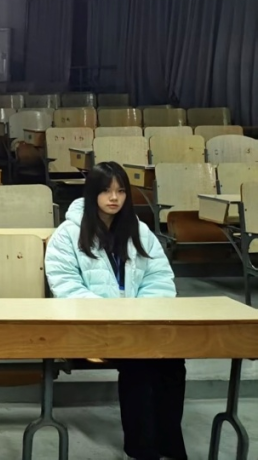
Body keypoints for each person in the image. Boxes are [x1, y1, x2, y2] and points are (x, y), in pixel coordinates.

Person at [44, 162, 187, 460]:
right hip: (92, 325)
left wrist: (140, 313)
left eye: (121, 191)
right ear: (92, 193)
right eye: (106, 191)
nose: (114, 198)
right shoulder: (67, 234)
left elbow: (159, 277)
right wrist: (112, 314)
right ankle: (142, 449)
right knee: (140, 363)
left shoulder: (139, 230)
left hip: (139, 322)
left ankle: (170, 444)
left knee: (172, 360)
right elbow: (66, 286)